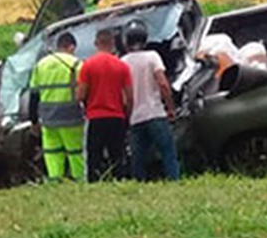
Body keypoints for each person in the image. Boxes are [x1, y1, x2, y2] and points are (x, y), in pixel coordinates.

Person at [122, 21, 181, 181]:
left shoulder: (123, 62)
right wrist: (171, 108)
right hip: (155, 113)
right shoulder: (152, 57)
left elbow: (123, 94)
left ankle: (140, 186)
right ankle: (173, 181)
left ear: (126, 41)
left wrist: (126, 116)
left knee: (138, 159)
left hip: (135, 118)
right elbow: (163, 84)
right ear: (145, 39)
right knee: (168, 152)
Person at [76, 29, 133, 182]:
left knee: (94, 156)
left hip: (95, 117)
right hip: (117, 117)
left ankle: (95, 183)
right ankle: (120, 180)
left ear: (96, 43)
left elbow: (80, 95)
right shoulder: (122, 66)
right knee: (117, 155)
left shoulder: (87, 65)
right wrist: (127, 114)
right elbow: (129, 96)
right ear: (112, 44)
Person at [28, 32, 85, 182]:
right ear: (71, 47)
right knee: (75, 151)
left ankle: (54, 180)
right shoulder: (76, 64)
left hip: (48, 118)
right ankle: (79, 179)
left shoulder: (41, 65)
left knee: (52, 152)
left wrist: (34, 121)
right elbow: (84, 90)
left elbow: (34, 96)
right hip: (71, 116)